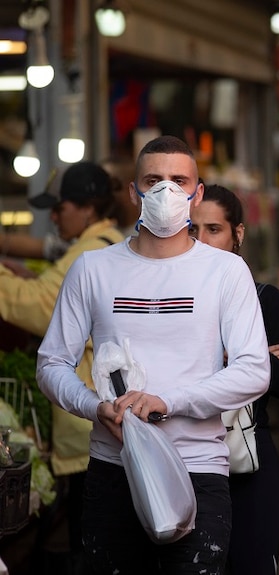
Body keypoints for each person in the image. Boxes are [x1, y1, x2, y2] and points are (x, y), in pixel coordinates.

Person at [36, 135, 270, 575]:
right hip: (113, 469)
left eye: (179, 180)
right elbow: (50, 365)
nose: (167, 191)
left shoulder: (226, 272)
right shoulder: (92, 268)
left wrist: (169, 401)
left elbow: (254, 370)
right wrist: (94, 406)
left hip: (199, 470)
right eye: (153, 180)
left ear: (197, 194)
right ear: (133, 191)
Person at [0, 161, 124, 573]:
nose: (53, 216)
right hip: (95, 420)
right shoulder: (96, 243)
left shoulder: (90, 253)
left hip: (91, 422)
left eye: (59, 207)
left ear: (87, 208)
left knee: (88, 546)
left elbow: (38, 306)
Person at [189, 183, 279, 575]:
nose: (201, 240)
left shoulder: (263, 298)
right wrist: (242, 357)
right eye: (193, 229)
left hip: (247, 459)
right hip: (183, 458)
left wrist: (246, 358)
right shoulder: (173, 298)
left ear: (238, 233)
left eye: (213, 229)